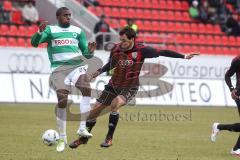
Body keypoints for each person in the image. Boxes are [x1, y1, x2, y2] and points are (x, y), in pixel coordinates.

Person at [69, 26, 198, 149]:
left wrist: (184, 56)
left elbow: (163, 52)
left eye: (124, 41)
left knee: (115, 104)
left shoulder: (142, 50)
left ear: (132, 39)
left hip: (129, 87)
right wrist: (99, 72)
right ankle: (83, 139)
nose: (122, 43)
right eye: (121, 40)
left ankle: (109, 138)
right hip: (113, 85)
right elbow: (111, 63)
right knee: (94, 111)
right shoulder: (116, 49)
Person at [31, 7, 96, 152]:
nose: (68, 17)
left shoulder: (78, 32)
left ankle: (82, 129)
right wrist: (39, 32)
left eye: (69, 15)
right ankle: (62, 138)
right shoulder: (50, 30)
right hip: (59, 69)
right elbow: (34, 43)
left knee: (86, 87)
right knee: (62, 100)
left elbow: (86, 53)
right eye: (65, 15)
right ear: (58, 16)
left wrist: (90, 53)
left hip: (76, 66)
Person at [211, 55, 240, 156]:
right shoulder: (237, 60)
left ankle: (218, 126)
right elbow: (227, 75)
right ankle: (236, 149)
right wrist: (232, 89)